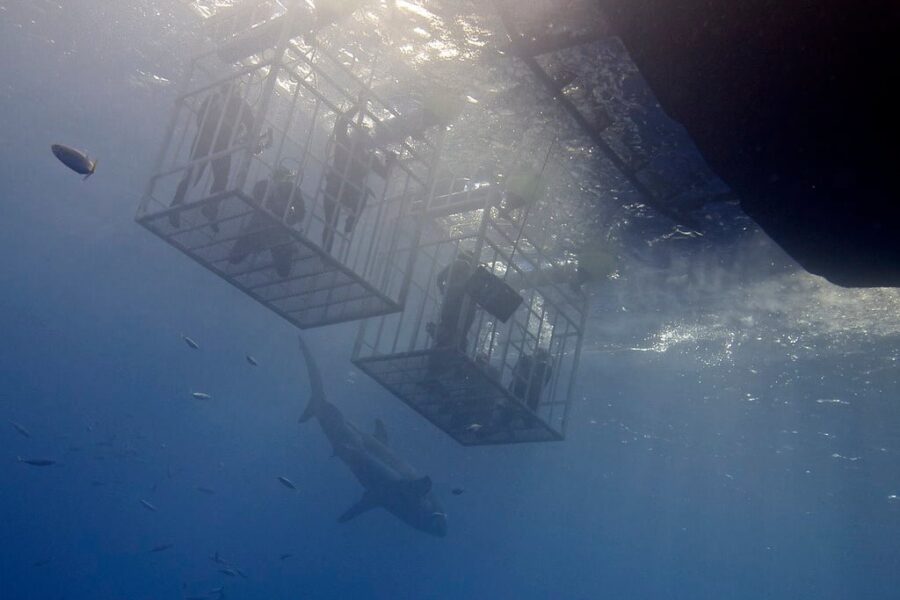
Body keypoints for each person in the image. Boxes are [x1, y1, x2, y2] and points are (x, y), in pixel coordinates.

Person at [169, 82, 256, 232]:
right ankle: (211, 208)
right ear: (239, 91)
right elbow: (252, 127)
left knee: (193, 174)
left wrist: (212, 130)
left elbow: (200, 118)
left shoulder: (213, 98)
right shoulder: (242, 105)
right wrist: (245, 138)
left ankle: (176, 205)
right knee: (221, 178)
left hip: (203, 138)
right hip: (222, 143)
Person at [321, 98, 392, 252]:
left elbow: (385, 175)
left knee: (362, 194)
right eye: (361, 133)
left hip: (344, 191)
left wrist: (390, 162)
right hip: (336, 187)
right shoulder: (345, 144)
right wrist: (358, 106)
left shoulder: (367, 157)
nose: (362, 137)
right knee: (331, 223)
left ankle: (351, 222)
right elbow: (341, 123)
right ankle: (325, 252)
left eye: (365, 134)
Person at [228, 165, 305, 278]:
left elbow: (300, 212)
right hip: (267, 227)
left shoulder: (290, 189)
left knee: (283, 270)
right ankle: (282, 251)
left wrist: (285, 214)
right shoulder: (265, 185)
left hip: (271, 228)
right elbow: (300, 213)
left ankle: (280, 251)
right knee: (235, 257)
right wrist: (285, 213)